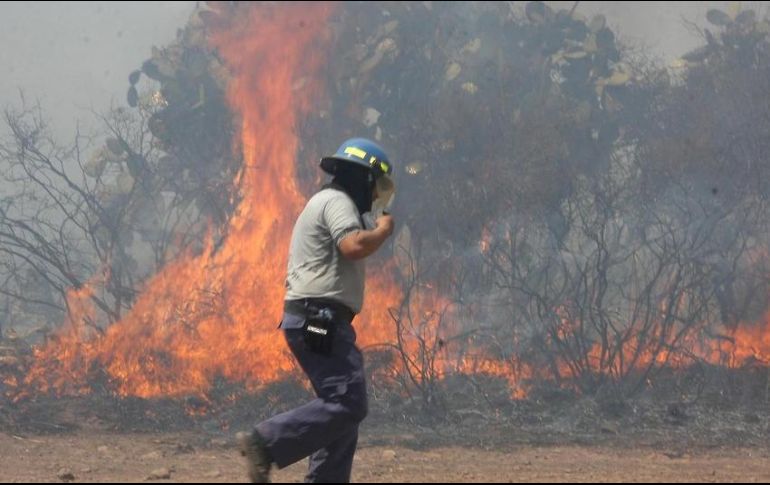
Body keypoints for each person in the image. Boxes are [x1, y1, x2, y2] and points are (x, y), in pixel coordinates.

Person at [237, 138, 396, 483]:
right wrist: (382, 230)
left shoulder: (327, 201)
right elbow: (353, 245)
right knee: (348, 403)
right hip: (318, 317)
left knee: (341, 419)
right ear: (365, 179)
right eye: (377, 185)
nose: (377, 196)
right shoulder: (336, 202)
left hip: (316, 317)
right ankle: (266, 441)